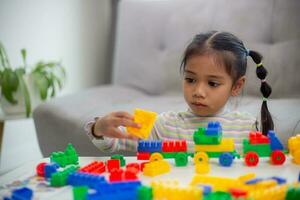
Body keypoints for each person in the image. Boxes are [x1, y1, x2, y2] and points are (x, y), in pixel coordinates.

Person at [85, 31, 273, 154]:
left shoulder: (247, 128)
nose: (198, 91)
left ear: (236, 86)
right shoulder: (165, 126)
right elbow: (117, 141)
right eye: (190, 80)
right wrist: (99, 129)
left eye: (212, 83)